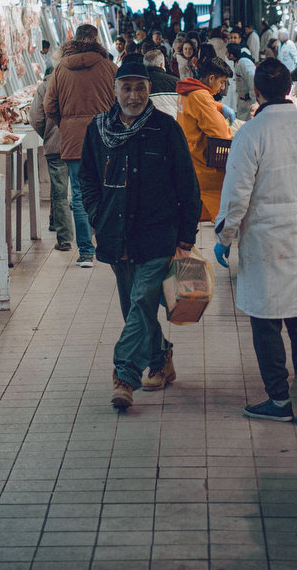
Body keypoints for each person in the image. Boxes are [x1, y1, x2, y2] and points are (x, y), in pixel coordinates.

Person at [214, 59, 297, 422]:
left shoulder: (251, 133)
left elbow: (237, 194)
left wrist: (225, 236)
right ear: (289, 88)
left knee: (266, 317)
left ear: (256, 92)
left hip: (264, 235)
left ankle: (279, 399)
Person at [78, 56, 203, 409]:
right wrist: (96, 213)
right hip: (116, 235)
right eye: (127, 87)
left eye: (141, 88)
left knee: (140, 301)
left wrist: (186, 239)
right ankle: (161, 358)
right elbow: (86, 177)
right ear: (115, 89)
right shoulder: (98, 129)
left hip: (157, 235)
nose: (134, 96)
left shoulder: (165, 128)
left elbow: (187, 187)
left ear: (150, 89)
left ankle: (124, 376)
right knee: (135, 307)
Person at [46, 23, 116, 267]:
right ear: (97, 41)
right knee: (108, 189)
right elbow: (121, 102)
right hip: (105, 138)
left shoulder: (61, 69)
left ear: (74, 40)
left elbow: (49, 105)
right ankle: (107, 244)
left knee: (78, 194)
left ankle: (86, 252)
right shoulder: (109, 68)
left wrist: (66, 124)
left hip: (74, 139)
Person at [175, 54, 234, 222]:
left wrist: (220, 106)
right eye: (222, 82)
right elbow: (221, 133)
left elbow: (201, 106)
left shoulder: (188, 90)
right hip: (201, 162)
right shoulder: (200, 95)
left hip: (188, 155)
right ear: (211, 78)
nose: (222, 87)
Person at [29, 68, 75, 252]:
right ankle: (89, 235)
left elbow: (35, 117)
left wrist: (47, 135)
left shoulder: (44, 87)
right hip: (79, 144)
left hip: (55, 147)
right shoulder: (75, 83)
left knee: (60, 194)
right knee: (83, 191)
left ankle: (64, 239)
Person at [227, 42, 257, 124]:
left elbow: (253, 80)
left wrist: (253, 100)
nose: (226, 54)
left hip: (249, 101)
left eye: (227, 52)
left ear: (231, 54)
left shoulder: (244, 62)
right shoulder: (237, 63)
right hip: (242, 101)